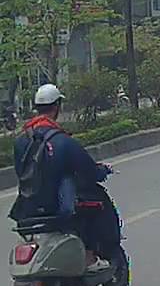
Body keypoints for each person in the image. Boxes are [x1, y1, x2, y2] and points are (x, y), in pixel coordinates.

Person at [9, 84, 120, 270]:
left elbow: (20, 171)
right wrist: (103, 171)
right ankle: (90, 258)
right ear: (57, 106)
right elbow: (89, 170)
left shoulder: (21, 140)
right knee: (95, 205)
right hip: (58, 207)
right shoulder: (62, 140)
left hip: (27, 207)